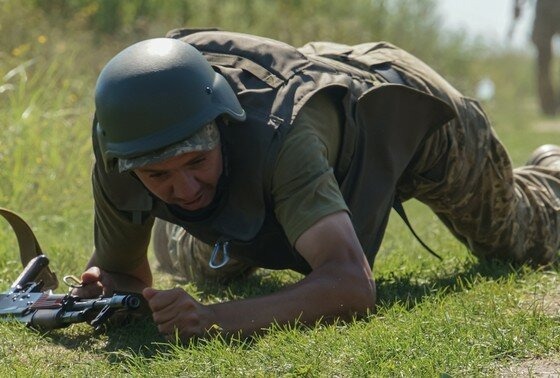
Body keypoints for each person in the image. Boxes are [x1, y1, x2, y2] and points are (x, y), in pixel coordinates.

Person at [75, 28, 560, 341]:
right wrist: (112, 291)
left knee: (518, 238)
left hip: (397, 108)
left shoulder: (281, 139)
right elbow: (127, 277)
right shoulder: (124, 140)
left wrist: (212, 320)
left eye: (197, 162)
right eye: (157, 176)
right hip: (286, 155)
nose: (183, 190)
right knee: (207, 265)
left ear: (222, 126)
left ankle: (550, 169)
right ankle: (200, 221)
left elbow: (350, 284)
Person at [512, 0, 560, 115]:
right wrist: (517, 6)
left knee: (543, 63)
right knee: (543, 62)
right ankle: (548, 105)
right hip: (544, 10)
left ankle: (552, 104)